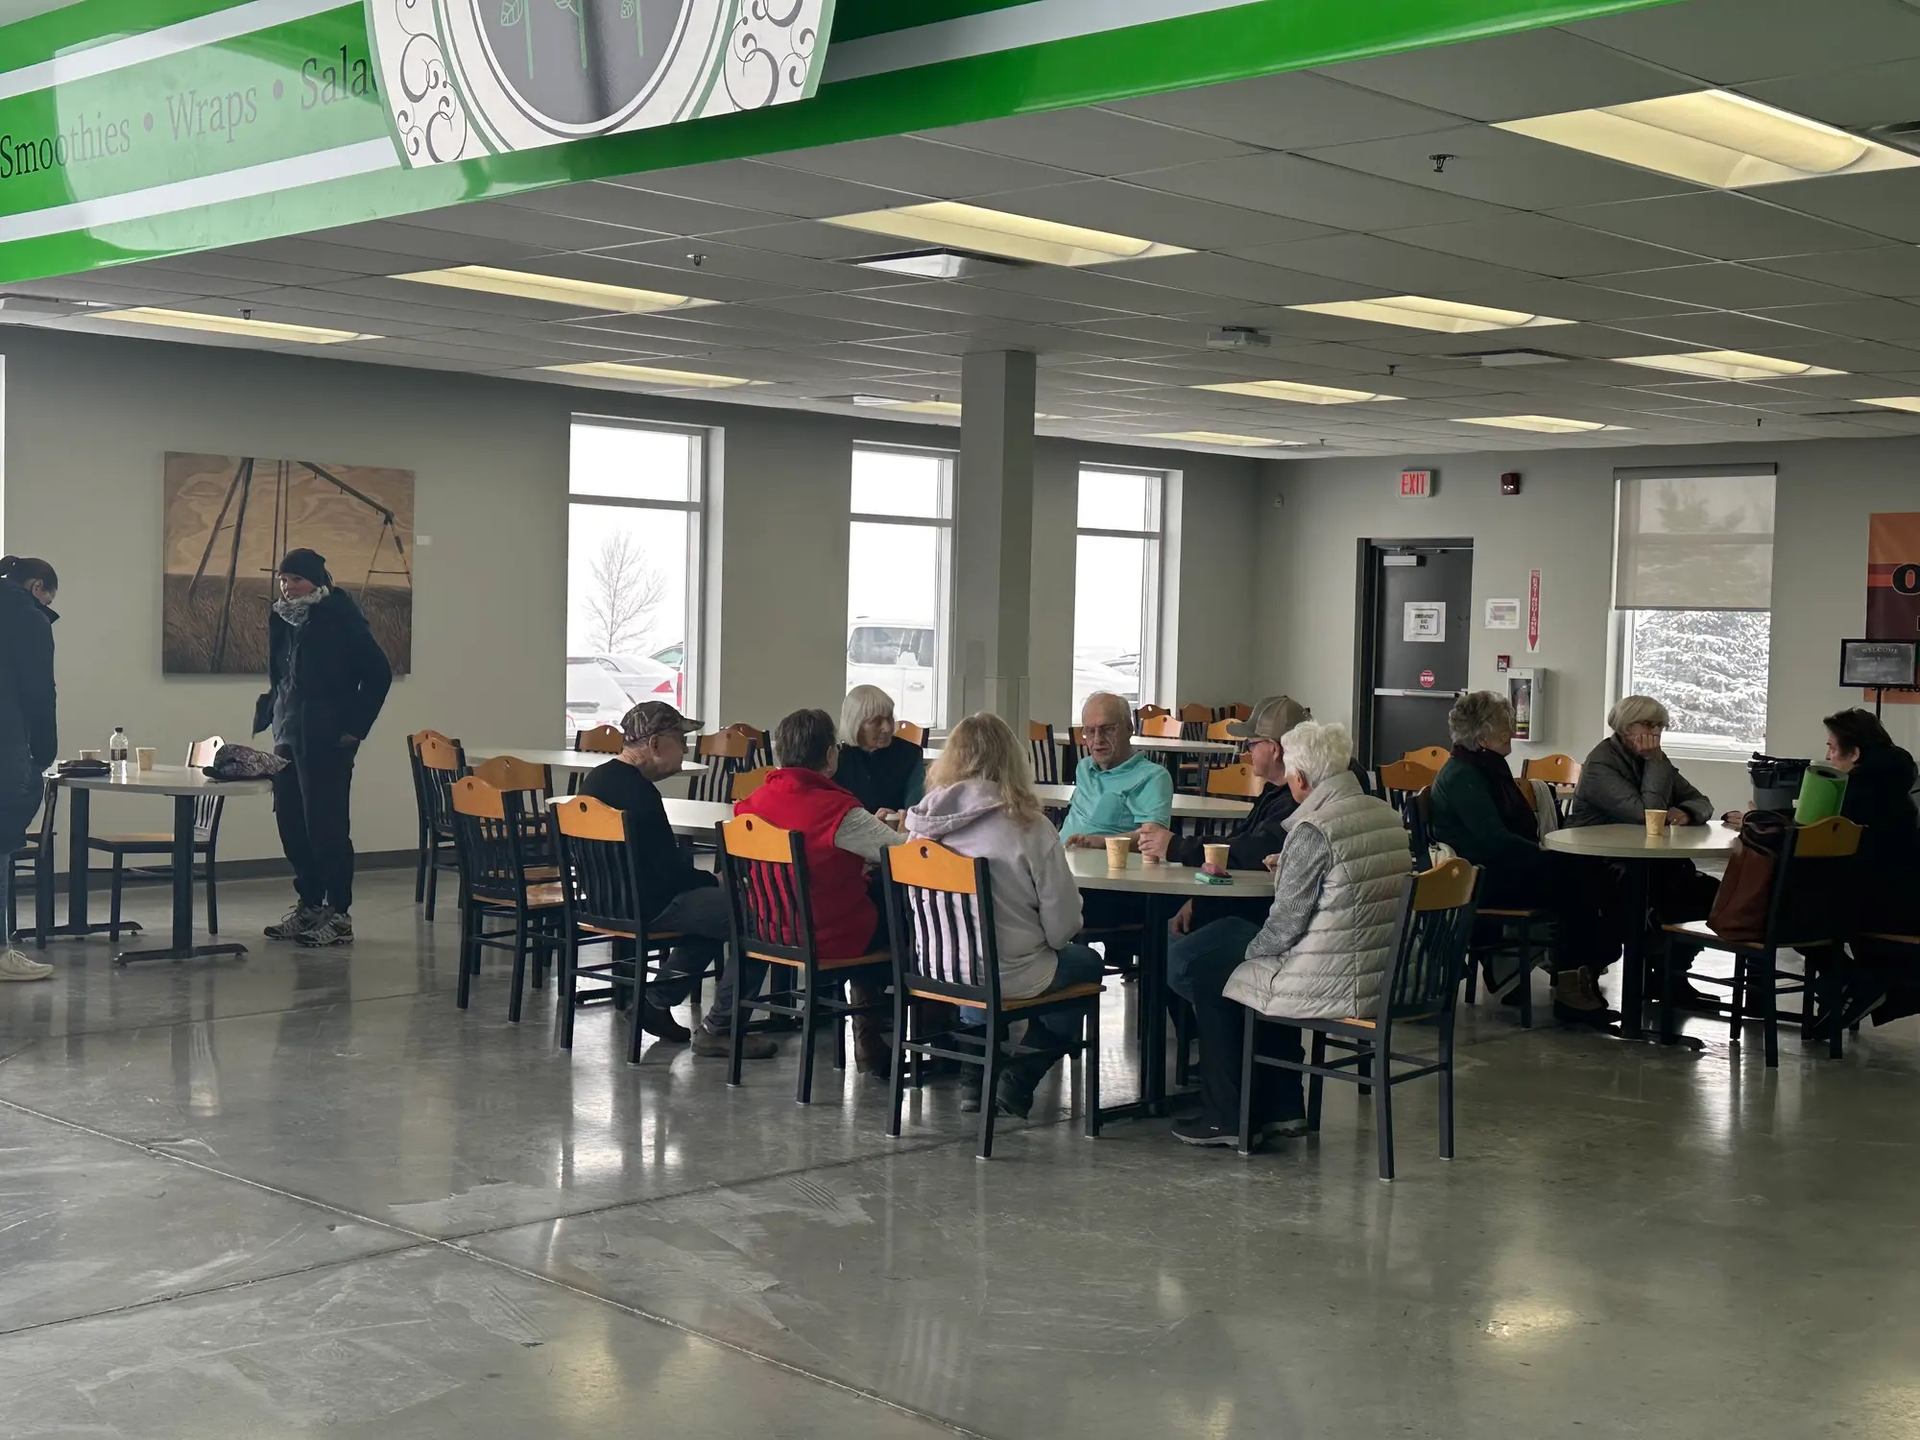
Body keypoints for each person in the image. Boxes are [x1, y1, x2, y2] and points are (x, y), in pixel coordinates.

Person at [1173, 721, 1411, 1147]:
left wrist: (1249, 953)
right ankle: (1282, 1108)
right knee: (1242, 962)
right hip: (1378, 973)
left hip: (1332, 981)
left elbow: (1282, 929)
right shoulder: (1387, 816)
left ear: (1299, 779)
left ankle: (1226, 1115)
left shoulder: (1313, 830)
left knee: (1213, 969)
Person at [906, 712, 1103, 1118]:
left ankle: (972, 1080)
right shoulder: (1029, 827)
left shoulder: (921, 828)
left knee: (975, 961)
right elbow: (1063, 928)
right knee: (1087, 962)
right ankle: (1020, 1076)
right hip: (1009, 973)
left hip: (937, 968)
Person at [578, 701, 776, 1061]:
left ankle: (656, 1003)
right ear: (654, 744)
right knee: (760, 917)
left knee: (716, 917)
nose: (685, 749)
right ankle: (722, 1030)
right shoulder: (641, 795)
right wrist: (714, 880)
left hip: (605, 900)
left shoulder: (597, 780)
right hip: (651, 904)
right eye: (679, 739)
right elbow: (669, 874)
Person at [1142, 695, 1372, 997]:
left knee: (1179, 956)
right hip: (1344, 955)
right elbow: (1245, 845)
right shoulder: (1287, 793)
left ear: (1275, 749)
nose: (1245, 753)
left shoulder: (1304, 808)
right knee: (1171, 937)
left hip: (1298, 942)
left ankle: (1239, 1033)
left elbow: (1251, 853)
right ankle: (1215, 1032)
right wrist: (1198, 901)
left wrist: (1177, 848)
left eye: (1250, 745)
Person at [734, 707, 906, 1076]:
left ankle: (869, 1038)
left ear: (780, 753)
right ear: (831, 755)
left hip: (768, 929)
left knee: (874, 907)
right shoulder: (839, 810)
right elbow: (903, 857)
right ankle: (877, 1034)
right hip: (829, 934)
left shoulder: (751, 806)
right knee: (901, 923)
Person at [1429, 691, 1614, 1023]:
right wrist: (1544, 854)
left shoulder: (1485, 768)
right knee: (1577, 879)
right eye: (1504, 724)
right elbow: (1494, 841)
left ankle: (1580, 969)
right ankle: (1572, 981)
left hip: (1499, 868)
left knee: (1588, 872)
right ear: (1482, 734)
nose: (1511, 730)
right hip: (1482, 878)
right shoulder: (1462, 775)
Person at [252, 549, 393, 949]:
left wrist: (355, 728)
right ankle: (309, 905)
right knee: (292, 825)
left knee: (326, 827)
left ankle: (340, 913)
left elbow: (378, 673)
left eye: (296, 579)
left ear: (317, 581)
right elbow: (282, 674)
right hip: (287, 735)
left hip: (328, 739)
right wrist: (272, 710)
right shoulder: (283, 618)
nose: (288, 586)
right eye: (283, 579)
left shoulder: (340, 617)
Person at [1567, 695, 1719, 1007]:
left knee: (1705, 893)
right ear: (1625, 728)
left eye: (1660, 725)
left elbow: (1703, 801)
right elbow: (1647, 812)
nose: (1656, 732)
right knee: (1645, 901)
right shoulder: (1601, 764)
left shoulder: (1653, 759)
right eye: (1648, 724)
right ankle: (1598, 980)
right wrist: (1655, 763)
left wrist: (1687, 813)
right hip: (1599, 862)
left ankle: (1668, 977)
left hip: (1646, 860)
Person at [1795, 709, 1920, 1036]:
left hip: (1881, 908)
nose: (1827, 756)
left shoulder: (1857, 792)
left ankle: (1852, 982)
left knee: (1786, 914)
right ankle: (1849, 989)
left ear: (1856, 753)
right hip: (1904, 902)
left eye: (1832, 748)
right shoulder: (1897, 784)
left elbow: (1812, 837)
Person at [0, 556, 58, 982]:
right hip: (5, 740)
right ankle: (2, 953)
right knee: (1, 842)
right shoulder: (27, 619)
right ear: (37, 586)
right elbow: (41, 691)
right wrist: (44, 750)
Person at [832, 684, 926, 817]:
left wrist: (896, 817)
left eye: (889, 718)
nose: (887, 728)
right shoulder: (835, 758)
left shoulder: (910, 754)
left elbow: (916, 810)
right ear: (855, 724)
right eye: (876, 722)